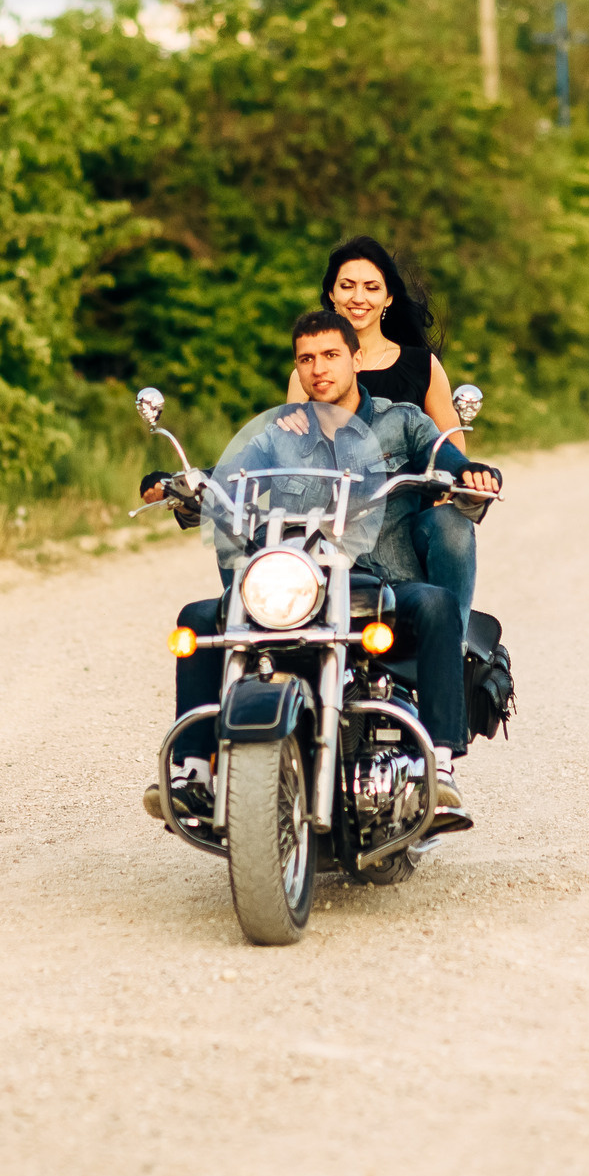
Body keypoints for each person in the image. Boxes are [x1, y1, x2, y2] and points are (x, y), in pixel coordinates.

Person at [146, 309, 502, 828]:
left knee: (436, 603)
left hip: (382, 584)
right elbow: (230, 476)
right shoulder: (281, 434)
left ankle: (440, 766)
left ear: (356, 359)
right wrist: (184, 484)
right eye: (307, 359)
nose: (319, 368)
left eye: (331, 355)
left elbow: (443, 458)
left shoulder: (402, 420)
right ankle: (193, 774)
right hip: (301, 583)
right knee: (198, 618)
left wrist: (471, 473)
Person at [283, 238, 480, 628]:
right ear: (331, 295)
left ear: (388, 298)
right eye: (347, 286)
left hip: (404, 521)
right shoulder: (310, 373)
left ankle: (450, 638)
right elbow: (292, 454)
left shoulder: (422, 365)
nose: (359, 298)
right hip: (331, 520)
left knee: (453, 525)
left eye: (371, 287)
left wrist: (456, 486)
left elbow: (450, 452)